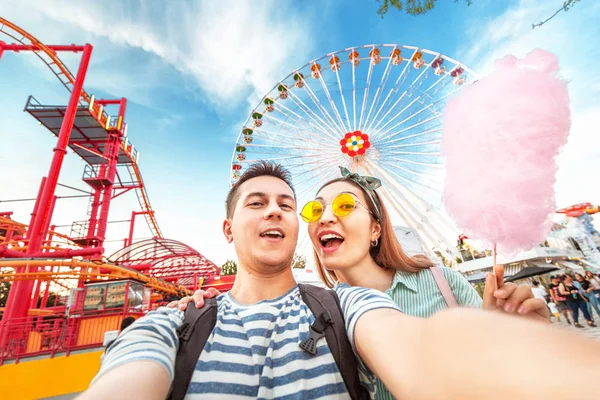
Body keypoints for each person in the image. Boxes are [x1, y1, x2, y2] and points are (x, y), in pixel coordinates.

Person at [79, 161, 600, 400]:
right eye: (257, 204)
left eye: (287, 203)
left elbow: (426, 355)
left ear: (376, 228)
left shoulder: (343, 307)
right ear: (228, 229)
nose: (279, 213)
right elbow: (126, 381)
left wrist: (505, 347)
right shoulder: (174, 323)